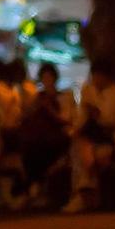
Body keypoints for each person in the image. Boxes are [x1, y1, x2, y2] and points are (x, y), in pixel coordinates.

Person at [62, 61, 115, 213]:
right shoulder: (88, 89)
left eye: (100, 76)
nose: (96, 79)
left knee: (95, 156)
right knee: (81, 149)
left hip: (107, 137)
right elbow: (82, 119)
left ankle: (84, 194)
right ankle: (83, 193)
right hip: (89, 135)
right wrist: (74, 129)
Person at [18, 63, 75, 205]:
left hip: (57, 136)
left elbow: (67, 119)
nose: (47, 80)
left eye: (49, 77)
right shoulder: (38, 97)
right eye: (44, 77)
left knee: (41, 150)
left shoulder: (64, 96)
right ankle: (32, 188)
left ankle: (32, 187)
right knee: (29, 149)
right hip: (38, 137)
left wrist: (50, 110)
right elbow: (26, 117)